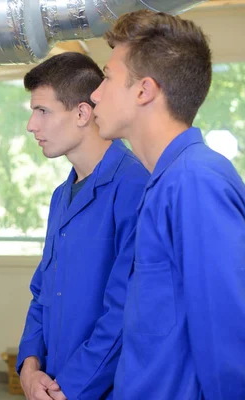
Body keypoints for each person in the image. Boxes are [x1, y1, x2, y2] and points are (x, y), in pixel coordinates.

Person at [91, 10, 245, 400]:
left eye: (107, 79)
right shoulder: (164, 181)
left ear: (144, 90)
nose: (94, 93)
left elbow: (228, 341)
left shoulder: (195, 181)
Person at [17, 52, 149, 400]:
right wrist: (30, 367)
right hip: (52, 381)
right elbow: (43, 291)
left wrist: (70, 388)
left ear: (81, 112)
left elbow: (124, 312)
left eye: (42, 111)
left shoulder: (135, 186)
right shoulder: (63, 195)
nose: (32, 125)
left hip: (100, 388)